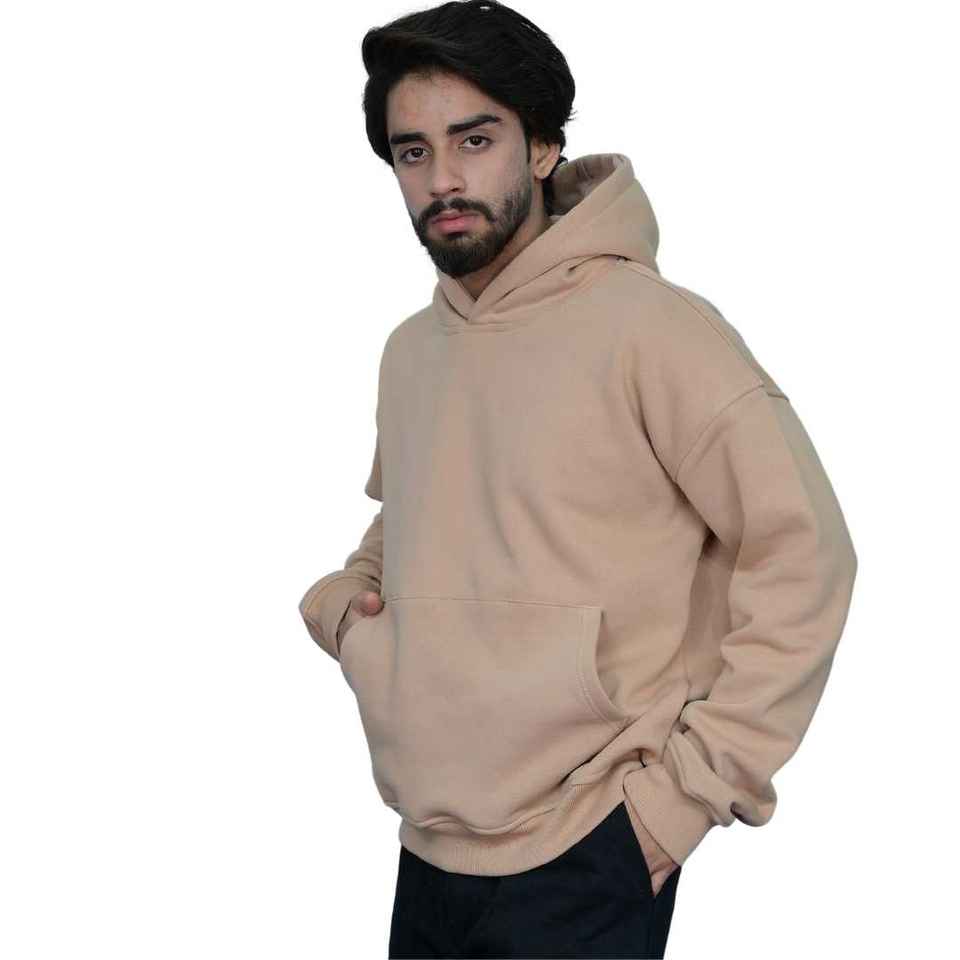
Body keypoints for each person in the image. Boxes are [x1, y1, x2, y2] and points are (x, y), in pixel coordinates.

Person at [298, 2, 858, 956]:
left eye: (475, 140)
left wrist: (684, 801)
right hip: (428, 837)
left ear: (544, 146)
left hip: (591, 843)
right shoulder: (412, 352)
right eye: (412, 152)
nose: (443, 179)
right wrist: (346, 609)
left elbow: (806, 553)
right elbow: (417, 518)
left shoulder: (655, 331)